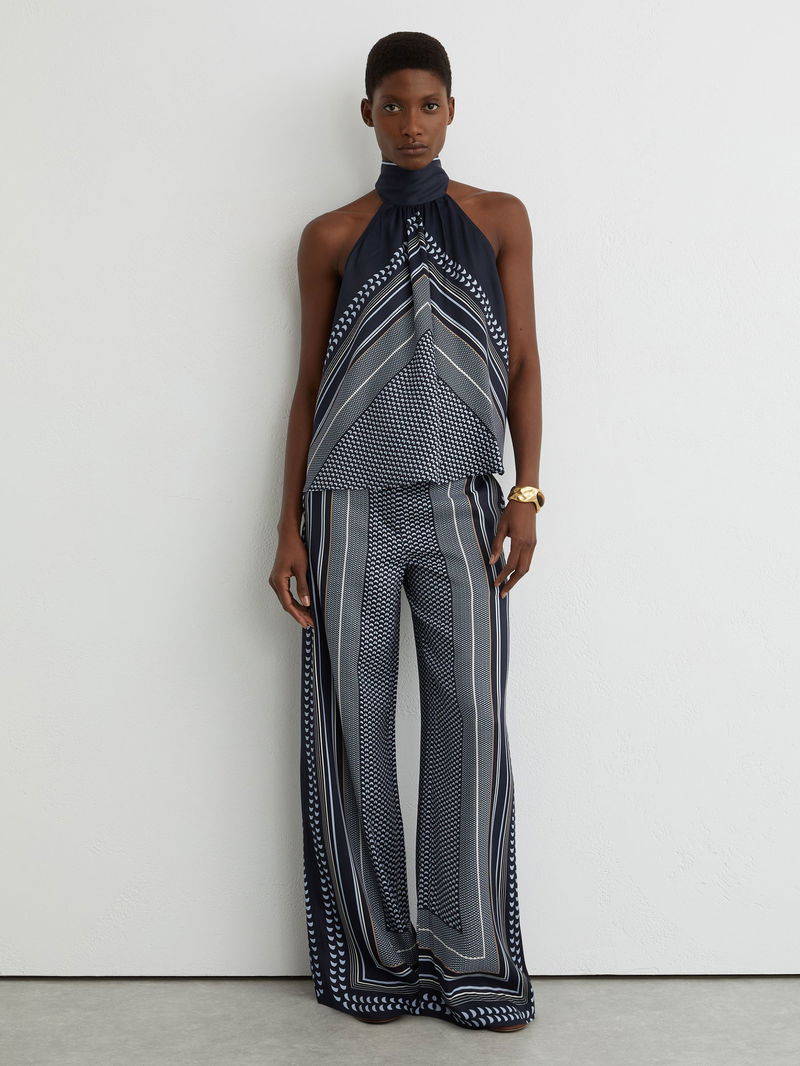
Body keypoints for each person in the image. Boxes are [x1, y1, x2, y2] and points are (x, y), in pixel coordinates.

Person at [270, 30, 543, 1032]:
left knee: (469, 722)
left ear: (451, 110)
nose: (411, 124)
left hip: (462, 503)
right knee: (357, 726)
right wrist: (288, 526)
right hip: (346, 508)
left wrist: (526, 494)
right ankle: (378, 961)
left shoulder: (499, 218)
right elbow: (307, 386)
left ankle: (470, 960)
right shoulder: (330, 236)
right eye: (393, 105)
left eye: (428, 105)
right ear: (367, 114)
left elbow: (524, 362)